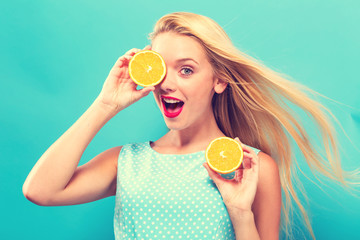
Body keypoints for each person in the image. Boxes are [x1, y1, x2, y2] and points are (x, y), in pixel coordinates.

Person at [23, 12, 357, 240]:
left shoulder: (252, 167)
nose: (167, 83)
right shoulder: (126, 162)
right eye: (160, 69)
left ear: (219, 79)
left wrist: (240, 212)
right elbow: (39, 191)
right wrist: (105, 105)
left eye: (186, 70)